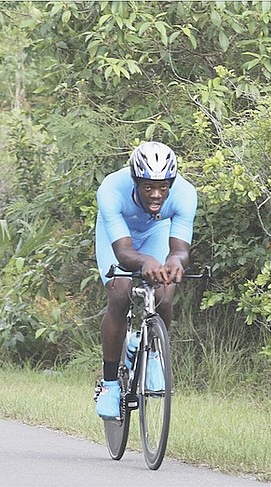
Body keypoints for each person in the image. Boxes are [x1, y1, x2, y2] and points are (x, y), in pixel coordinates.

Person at [94, 141, 197, 420]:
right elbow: (124, 252)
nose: (156, 194)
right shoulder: (111, 190)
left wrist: (175, 262)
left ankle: (153, 352)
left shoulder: (186, 195)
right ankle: (110, 385)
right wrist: (144, 261)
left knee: (165, 292)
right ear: (134, 181)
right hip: (117, 236)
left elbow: (179, 250)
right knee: (120, 292)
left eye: (163, 187)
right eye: (147, 187)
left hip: (156, 232)